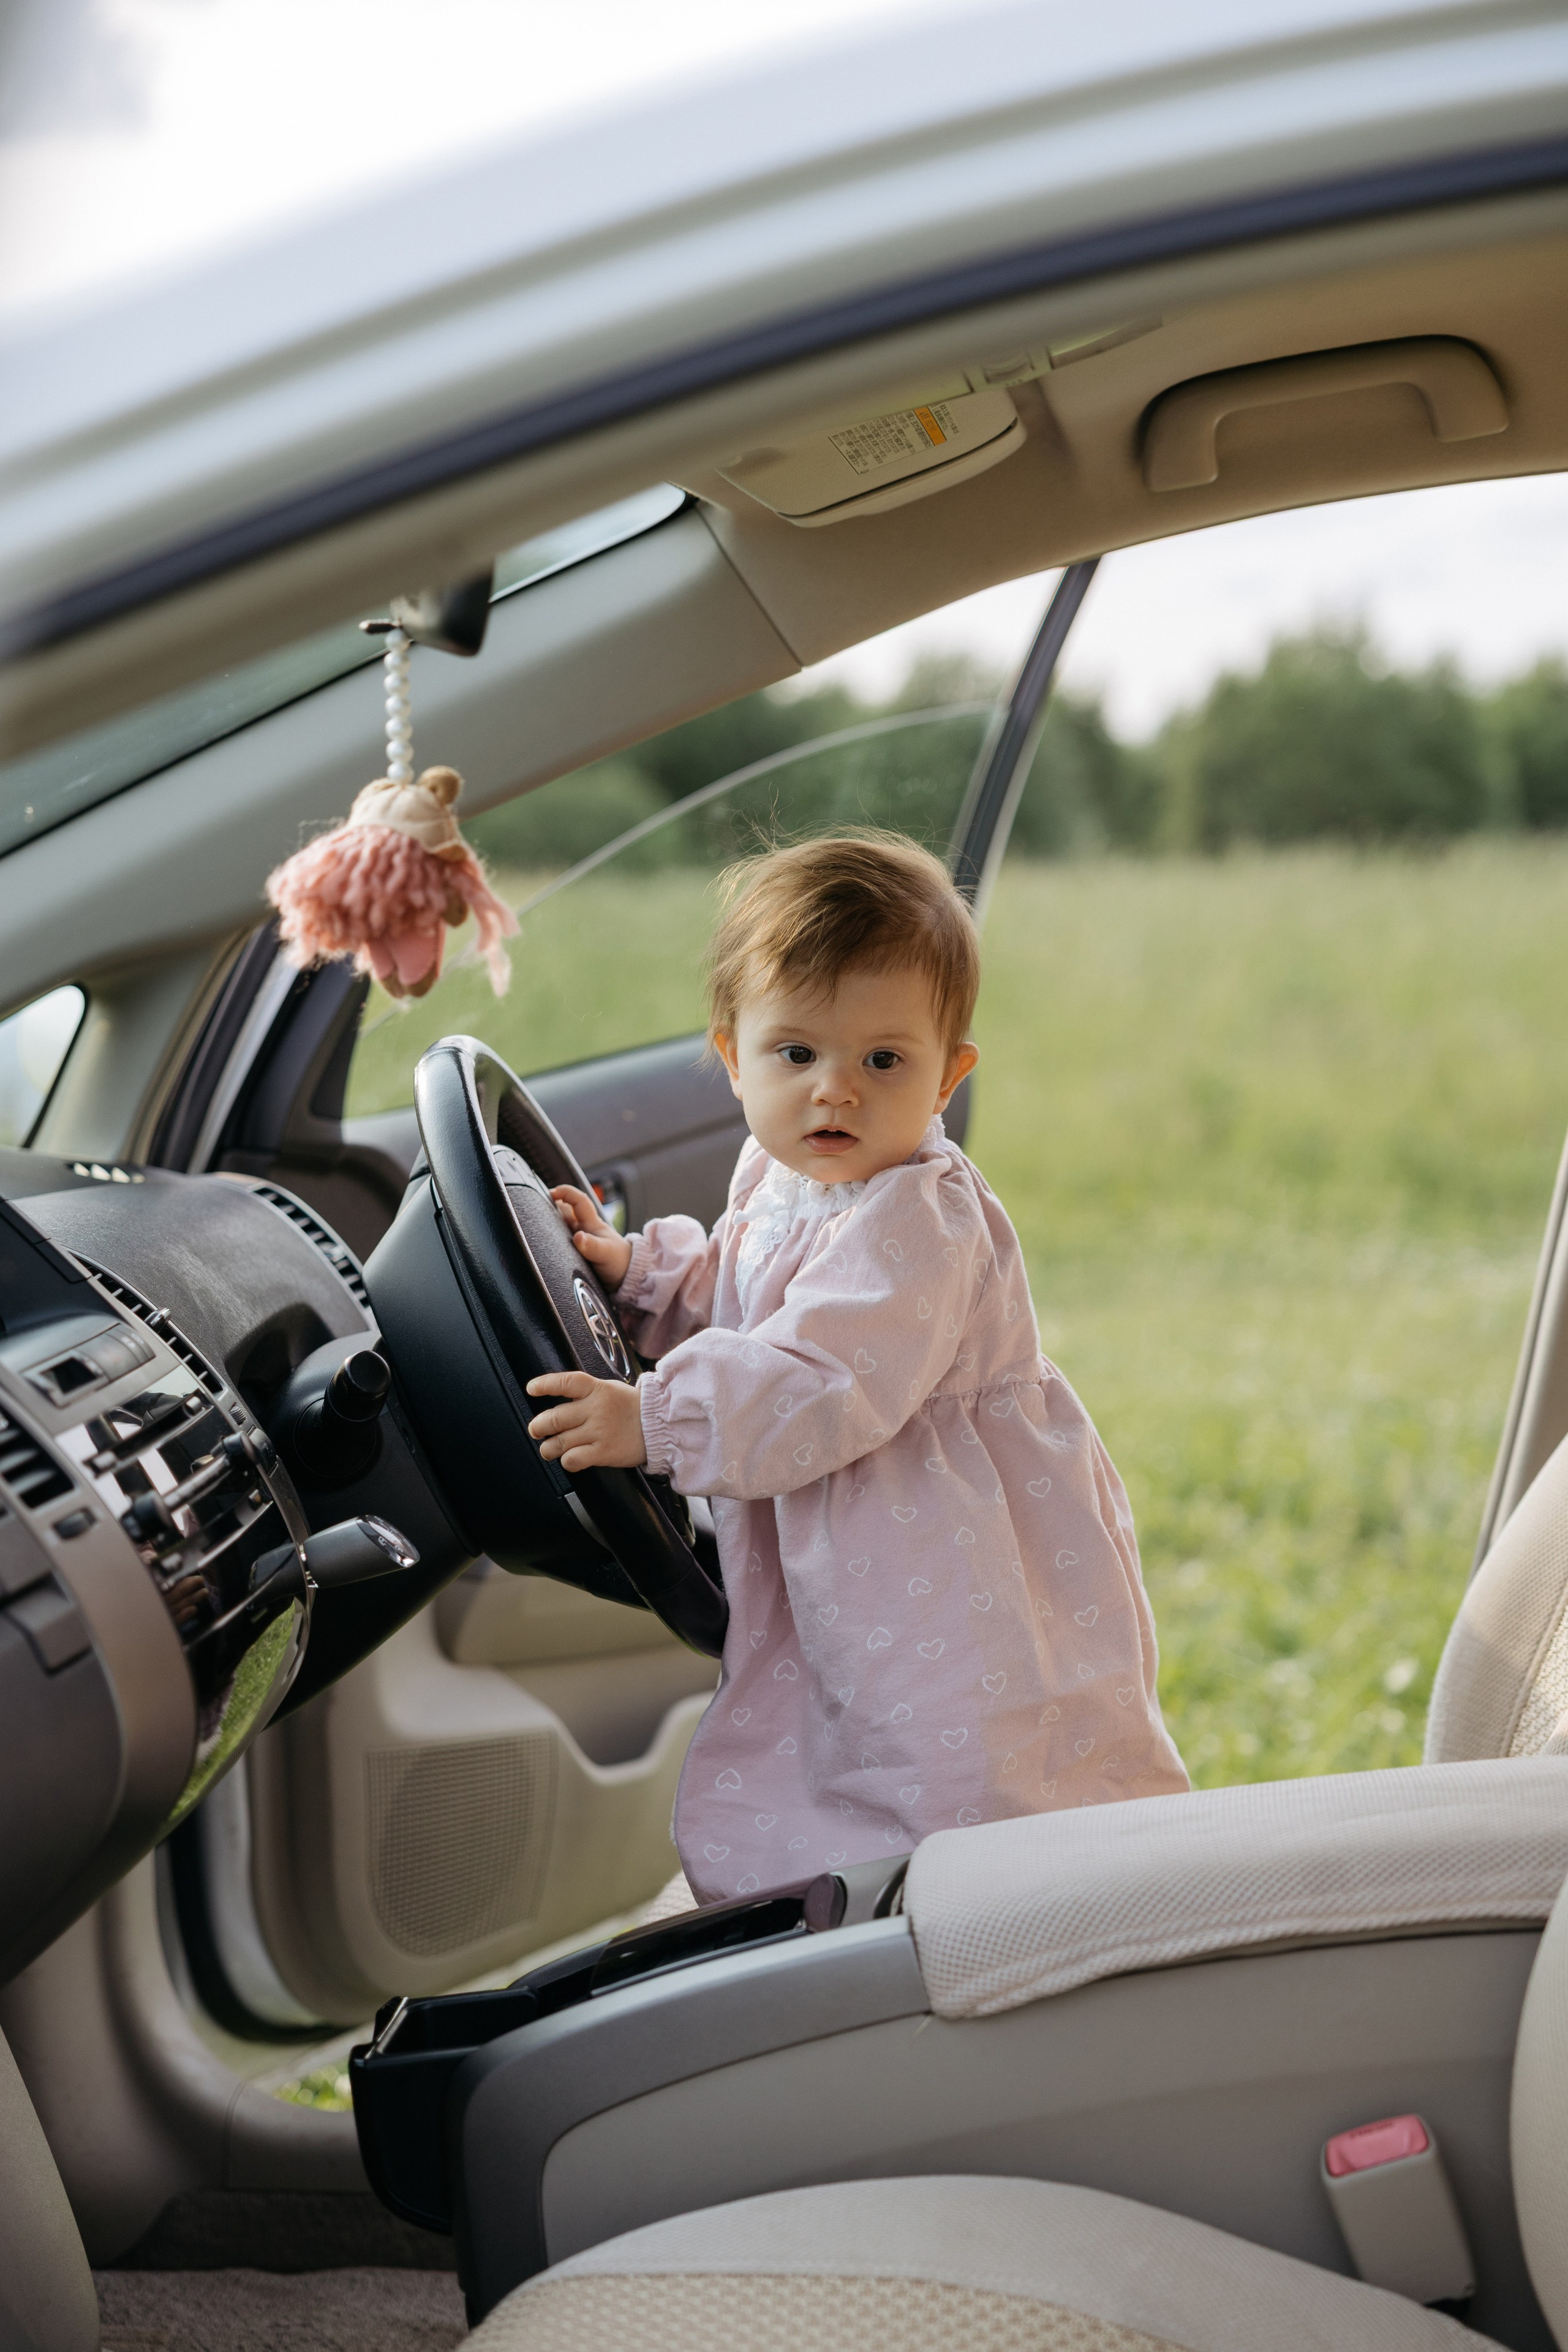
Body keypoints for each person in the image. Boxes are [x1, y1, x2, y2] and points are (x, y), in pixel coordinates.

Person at [526, 833, 1188, 1904]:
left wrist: (658, 1421)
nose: (836, 1092)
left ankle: (1000, 1914)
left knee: (955, 1753)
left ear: (948, 1075)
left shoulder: (920, 1209)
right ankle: (851, 1913)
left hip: (939, 1548)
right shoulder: (782, 1170)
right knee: (839, 1739)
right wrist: (641, 1273)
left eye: (885, 1061)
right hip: (849, 1536)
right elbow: (750, 1290)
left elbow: (820, 1376)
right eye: (798, 1055)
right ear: (733, 1056)